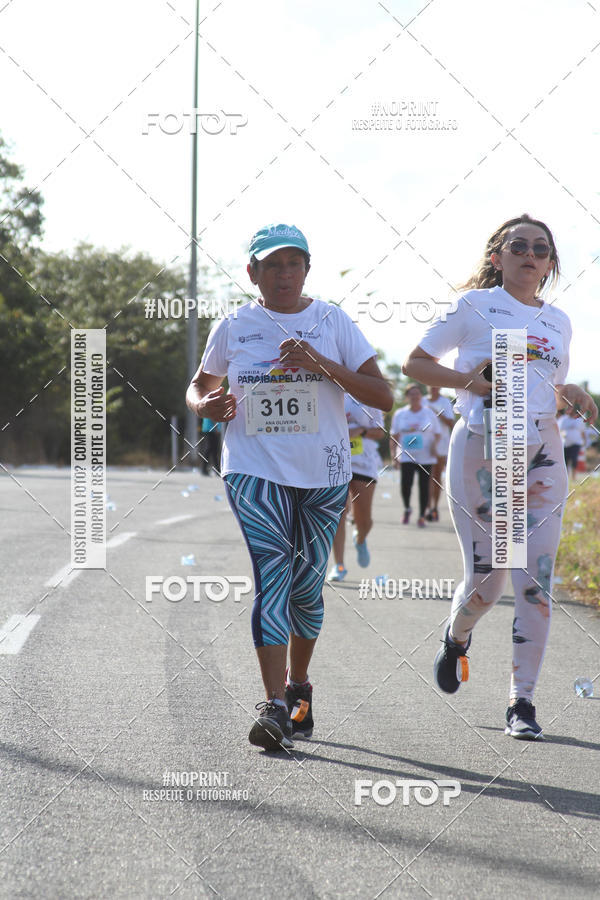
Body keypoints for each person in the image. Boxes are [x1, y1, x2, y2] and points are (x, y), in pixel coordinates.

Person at [186, 224, 393, 750]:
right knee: (273, 576)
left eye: (292, 264)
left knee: (306, 588)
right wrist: (203, 406)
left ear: (306, 269)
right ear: (252, 272)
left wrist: (320, 363)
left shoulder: (333, 321)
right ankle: (275, 704)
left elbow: (384, 395)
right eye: (271, 265)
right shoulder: (234, 325)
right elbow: (200, 386)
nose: (283, 273)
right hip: (253, 469)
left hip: (323, 472)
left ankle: (299, 685)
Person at [403, 213, 598, 740]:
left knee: (534, 582)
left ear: (551, 264)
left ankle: (523, 703)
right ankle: (457, 635)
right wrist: (473, 381)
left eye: (541, 249)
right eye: (518, 246)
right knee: (488, 584)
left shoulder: (559, 321)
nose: (530, 255)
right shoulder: (473, 306)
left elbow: (549, 391)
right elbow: (415, 365)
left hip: (540, 451)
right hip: (483, 449)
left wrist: (574, 394)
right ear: (498, 257)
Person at [327, 394, 385, 582]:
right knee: (339, 513)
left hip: (363, 462)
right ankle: (339, 565)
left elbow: (380, 431)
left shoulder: (366, 391)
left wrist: (360, 431)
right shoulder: (329, 389)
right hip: (335, 460)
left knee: (364, 520)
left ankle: (360, 539)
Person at [389, 384, 442, 528]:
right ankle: (407, 508)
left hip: (426, 456)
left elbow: (438, 433)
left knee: (424, 486)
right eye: (411, 394)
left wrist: (433, 446)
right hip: (406, 455)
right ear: (407, 397)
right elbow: (394, 436)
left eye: (417, 394)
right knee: (406, 484)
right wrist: (393, 455)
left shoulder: (429, 413)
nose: (415, 397)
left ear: (421, 396)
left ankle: (421, 516)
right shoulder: (400, 414)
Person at [422, 387, 455, 521]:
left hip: (441, 444)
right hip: (425, 444)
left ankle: (434, 506)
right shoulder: (422, 400)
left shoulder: (445, 402)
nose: (433, 387)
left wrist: (436, 413)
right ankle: (427, 507)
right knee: (426, 477)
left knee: (436, 477)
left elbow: (451, 422)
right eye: (430, 385)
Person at [557, 406, 586, 477]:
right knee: (566, 460)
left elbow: (582, 432)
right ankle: (566, 476)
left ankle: (574, 476)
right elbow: (559, 431)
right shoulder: (563, 420)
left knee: (574, 459)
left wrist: (584, 441)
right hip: (565, 443)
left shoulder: (579, 420)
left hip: (576, 443)